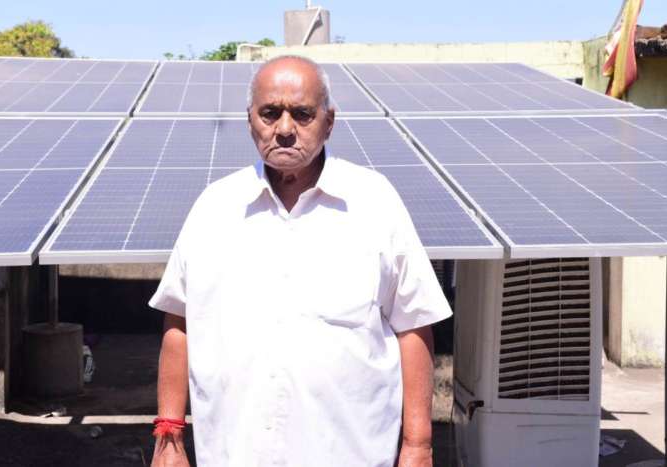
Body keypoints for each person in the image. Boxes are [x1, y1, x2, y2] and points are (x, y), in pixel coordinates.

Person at [148, 55, 452, 467]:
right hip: (233, 454)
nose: (285, 129)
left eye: (303, 114)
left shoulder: (374, 203)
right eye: (270, 113)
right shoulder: (214, 208)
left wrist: (418, 445)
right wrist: (169, 436)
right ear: (250, 120)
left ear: (329, 122)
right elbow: (180, 323)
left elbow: (414, 325)